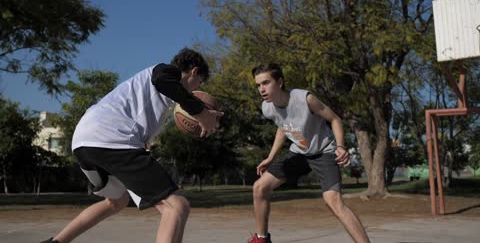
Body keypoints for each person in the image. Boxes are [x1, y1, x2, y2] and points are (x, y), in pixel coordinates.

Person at [40, 48, 223, 243]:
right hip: (111, 139)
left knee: (116, 202)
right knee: (177, 206)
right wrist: (199, 110)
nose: (196, 89)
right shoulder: (166, 71)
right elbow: (162, 80)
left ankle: (55, 242)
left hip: (84, 141)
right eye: (199, 82)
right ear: (193, 71)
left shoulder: (148, 98)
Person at [248, 63, 370, 243]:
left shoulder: (305, 98)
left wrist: (341, 146)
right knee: (259, 187)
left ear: (280, 82)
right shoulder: (268, 107)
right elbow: (283, 127)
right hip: (299, 153)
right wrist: (271, 157)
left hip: (324, 151)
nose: (261, 89)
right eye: (258, 85)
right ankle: (261, 239)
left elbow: (335, 119)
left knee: (333, 201)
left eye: (265, 83)